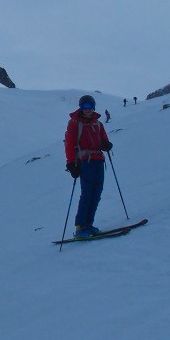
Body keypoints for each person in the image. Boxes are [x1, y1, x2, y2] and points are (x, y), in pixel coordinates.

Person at [64, 95, 114, 238]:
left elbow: (104, 141)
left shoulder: (98, 124)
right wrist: (71, 163)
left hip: (99, 161)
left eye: (90, 106)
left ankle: (89, 224)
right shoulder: (74, 124)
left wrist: (107, 145)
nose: (87, 109)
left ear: (94, 107)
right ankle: (80, 227)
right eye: (84, 107)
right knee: (87, 194)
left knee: (96, 194)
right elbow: (69, 144)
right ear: (80, 107)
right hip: (85, 162)